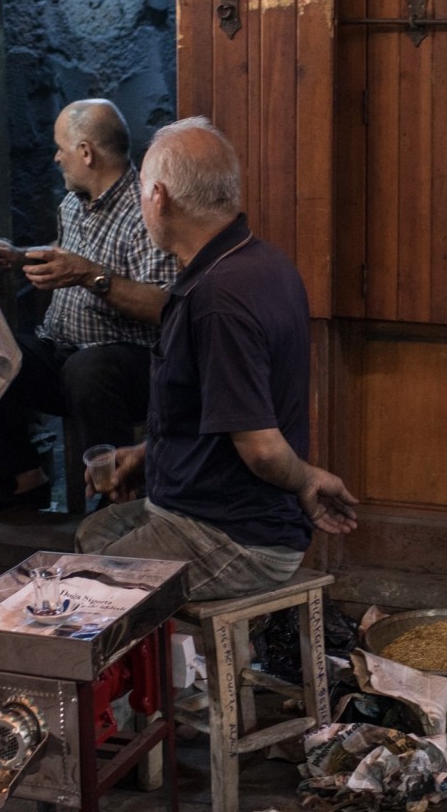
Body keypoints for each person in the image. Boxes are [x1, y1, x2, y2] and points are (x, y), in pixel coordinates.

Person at [77, 118, 359, 600]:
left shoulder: (219, 298)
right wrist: (148, 456)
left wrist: (307, 479)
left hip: (236, 537)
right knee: (92, 535)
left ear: (158, 197)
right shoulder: (261, 260)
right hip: (201, 507)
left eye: (141, 191)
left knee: (92, 589)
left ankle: (165, 652)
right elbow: (216, 416)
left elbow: (262, 449)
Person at [0, 98, 178, 516]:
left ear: (86, 152)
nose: (56, 158)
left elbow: (164, 307)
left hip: (132, 369)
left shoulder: (146, 211)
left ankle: (115, 501)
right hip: (62, 350)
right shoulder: (74, 202)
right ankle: (23, 481)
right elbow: (67, 252)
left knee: (88, 369)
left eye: (61, 148)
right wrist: (19, 257)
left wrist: (90, 276)